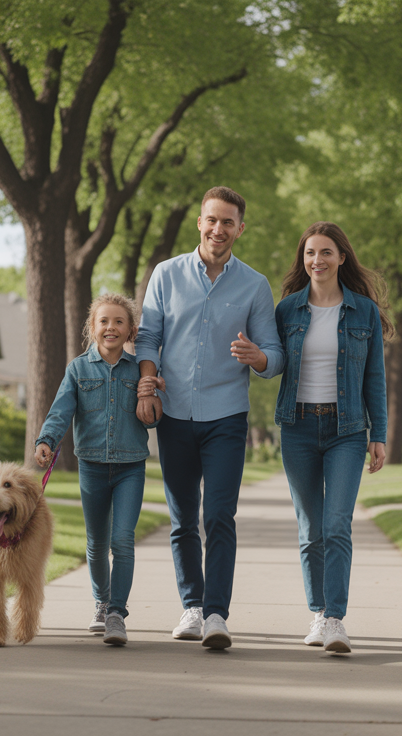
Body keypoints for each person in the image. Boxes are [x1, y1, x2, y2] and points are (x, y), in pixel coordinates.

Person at [134, 186, 284, 650]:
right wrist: (147, 382)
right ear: (200, 222)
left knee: (218, 514)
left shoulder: (255, 285)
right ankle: (192, 607)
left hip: (226, 416)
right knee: (182, 519)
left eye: (228, 222)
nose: (218, 229)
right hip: (174, 413)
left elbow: (275, 355)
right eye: (211, 220)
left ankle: (217, 614)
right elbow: (146, 337)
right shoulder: (166, 274)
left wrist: (258, 357)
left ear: (241, 228)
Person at [272, 221, 389, 654]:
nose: (316, 260)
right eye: (309, 253)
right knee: (311, 529)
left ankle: (335, 619)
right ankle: (317, 613)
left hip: (347, 430)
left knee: (337, 523)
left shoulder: (364, 312)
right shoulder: (287, 311)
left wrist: (380, 432)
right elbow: (273, 363)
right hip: (297, 427)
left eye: (325, 252)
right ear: (302, 261)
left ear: (342, 257)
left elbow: (374, 377)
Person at [35, 293, 155, 647]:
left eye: (119, 322)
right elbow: (61, 409)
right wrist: (47, 440)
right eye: (104, 321)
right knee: (96, 543)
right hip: (91, 465)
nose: (111, 328)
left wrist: (153, 400)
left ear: (131, 330)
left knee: (123, 539)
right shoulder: (78, 369)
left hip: (130, 466)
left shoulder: (140, 371)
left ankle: (117, 612)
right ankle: (101, 603)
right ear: (92, 327)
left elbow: (154, 416)